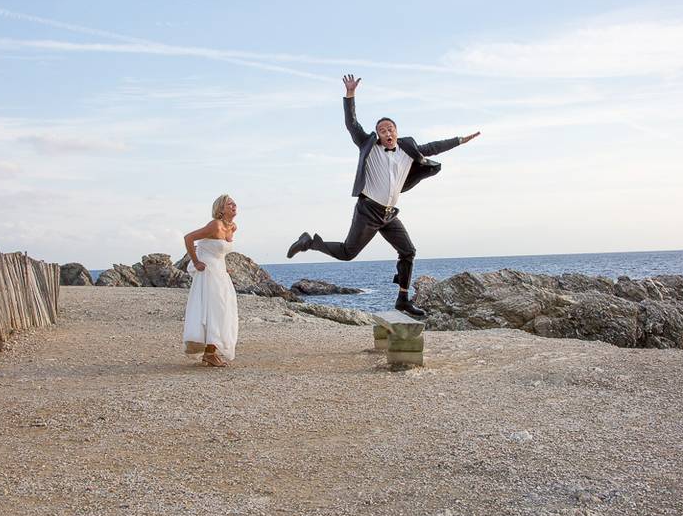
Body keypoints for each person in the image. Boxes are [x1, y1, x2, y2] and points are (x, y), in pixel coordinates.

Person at [286, 74, 480, 316]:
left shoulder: (408, 149)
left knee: (408, 251)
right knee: (348, 253)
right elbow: (352, 125)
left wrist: (460, 140)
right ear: (377, 134)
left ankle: (402, 299)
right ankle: (310, 242)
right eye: (381, 129)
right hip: (368, 210)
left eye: (390, 128)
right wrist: (350, 95)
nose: (386, 132)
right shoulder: (369, 145)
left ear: (396, 132)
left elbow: (434, 147)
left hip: (389, 215)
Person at [183, 194, 239, 367]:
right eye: (230, 204)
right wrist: (196, 261)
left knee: (224, 309)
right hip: (208, 272)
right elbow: (189, 238)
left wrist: (225, 266)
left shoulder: (233, 227)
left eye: (235, 204)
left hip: (220, 271)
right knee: (214, 310)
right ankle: (209, 353)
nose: (234, 206)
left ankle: (211, 351)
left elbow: (219, 250)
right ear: (221, 209)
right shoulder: (214, 225)